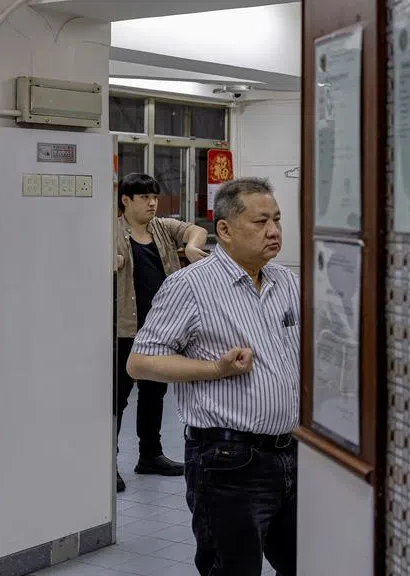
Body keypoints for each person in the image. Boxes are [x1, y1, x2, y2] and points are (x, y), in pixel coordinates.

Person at [127, 177, 299, 576]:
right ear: (224, 230)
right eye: (260, 222)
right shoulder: (190, 286)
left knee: (307, 561)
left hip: (289, 455)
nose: (273, 231)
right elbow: (140, 362)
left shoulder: (286, 282)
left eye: (276, 220)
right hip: (228, 462)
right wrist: (216, 369)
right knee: (233, 568)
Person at [113, 173, 209, 493]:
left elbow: (195, 230)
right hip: (125, 330)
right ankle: (106, 462)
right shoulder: (110, 232)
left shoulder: (162, 228)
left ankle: (150, 455)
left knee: (154, 395)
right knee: (117, 399)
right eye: (144, 198)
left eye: (154, 197)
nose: (152, 203)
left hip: (159, 331)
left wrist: (193, 247)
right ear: (126, 200)